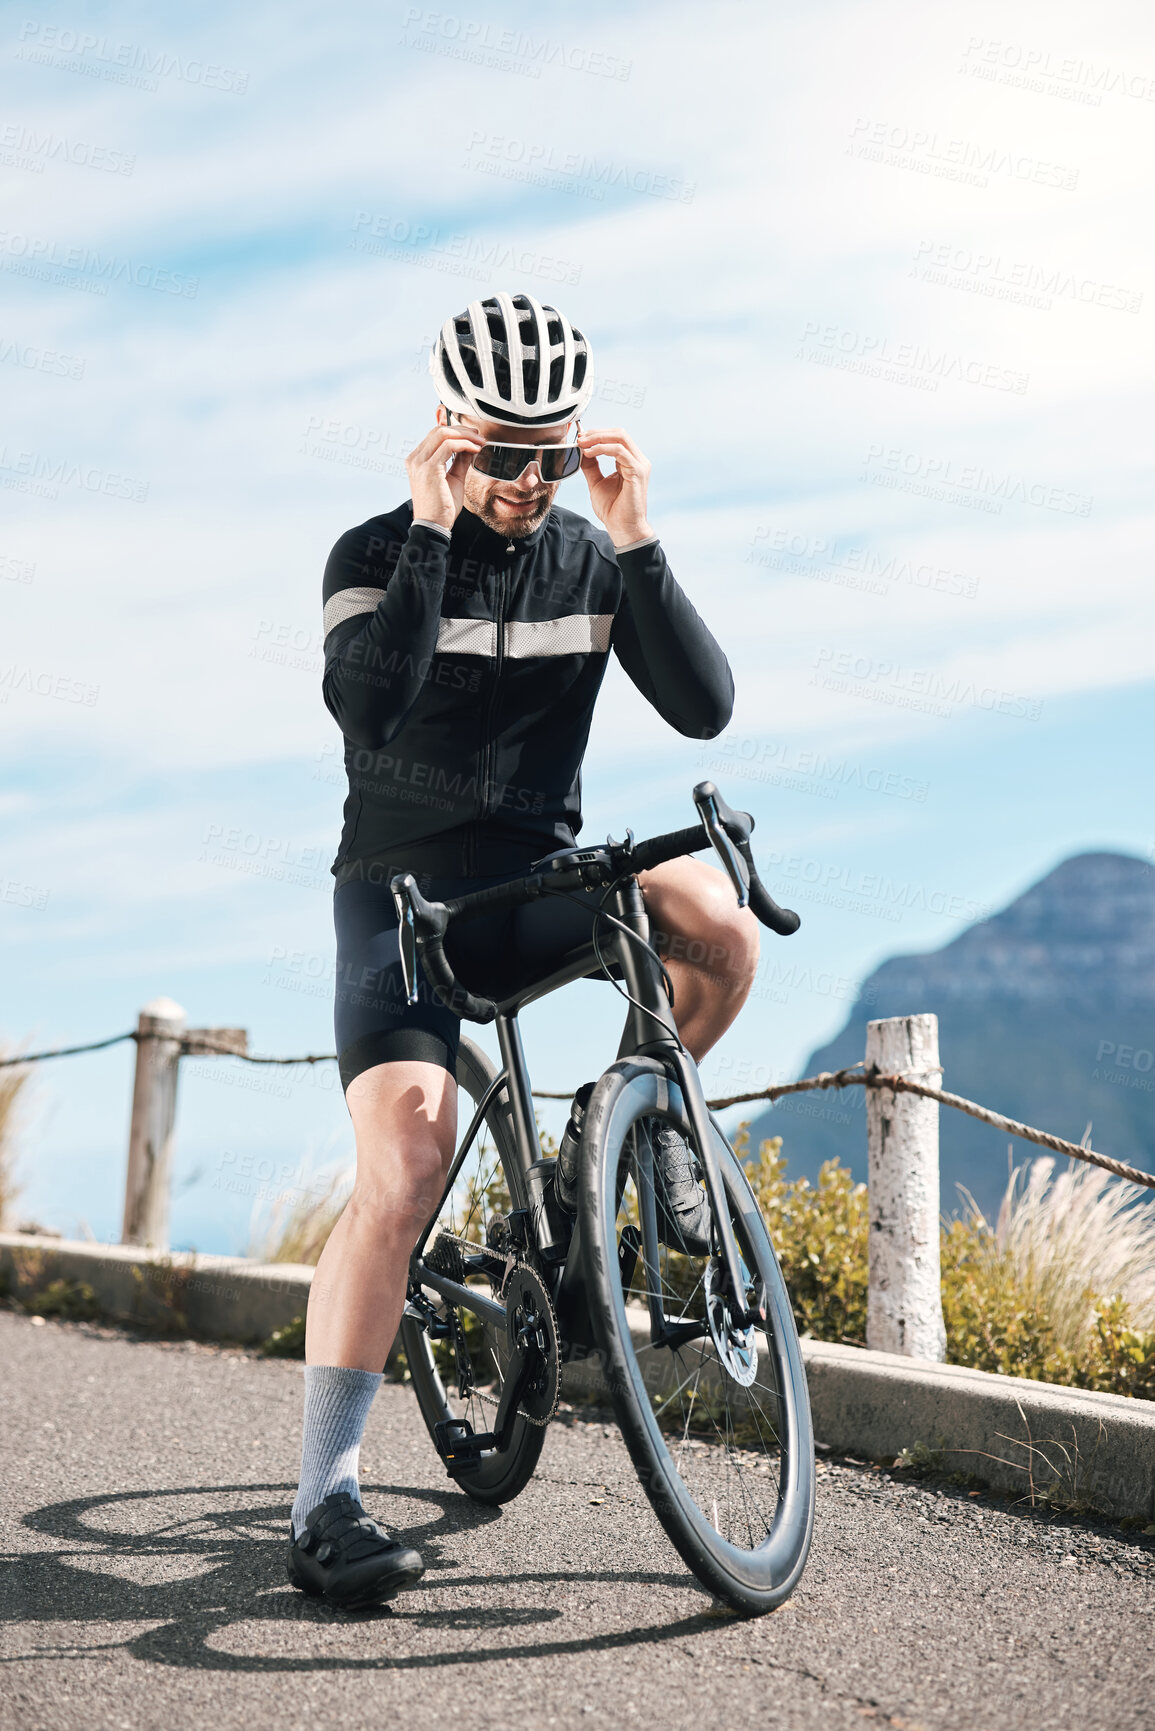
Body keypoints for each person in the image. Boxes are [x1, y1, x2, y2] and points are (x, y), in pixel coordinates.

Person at [287, 291, 760, 1610]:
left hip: (541, 874)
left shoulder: (590, 561)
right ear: (445, 437)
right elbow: (367, 705)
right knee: (410, 1160)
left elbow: (707, 709)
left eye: (550, 454)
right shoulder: (372, 553)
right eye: (502, 453)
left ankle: (630, 1126)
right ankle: (323, 1502)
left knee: (715, 933)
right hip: (398, 894)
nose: (528, 480)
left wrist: (635, 536)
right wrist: (436, 532)